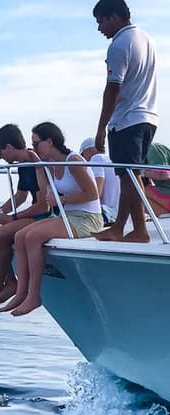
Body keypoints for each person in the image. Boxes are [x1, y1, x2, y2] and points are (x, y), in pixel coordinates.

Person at [0, 122, 103, 317]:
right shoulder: (51, 164)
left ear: (49, 141)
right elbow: (44, 194)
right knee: (21, 235)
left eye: (36, 143)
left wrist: (62, 199)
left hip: (88, 218)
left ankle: (34, 296)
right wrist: (38, 164)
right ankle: (21, 291)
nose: (34, 147)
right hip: (67, 215)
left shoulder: (73, 160)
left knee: (33, 237)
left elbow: (92, 194)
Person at [92, 0, 158, 242]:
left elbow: (113, 89)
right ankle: (119, 226)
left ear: (115, 17)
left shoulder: (119, 45)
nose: (100, 28)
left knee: (130, 176)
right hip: (148, 116)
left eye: (101, 21)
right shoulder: (146, 38)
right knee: (128, 175)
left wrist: (100, 129)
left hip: (127, 119)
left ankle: (139, 230)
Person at [0, 124, 46, 305]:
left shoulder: (34, 162)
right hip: (35, 210)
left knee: (2, 232)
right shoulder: (24, 164)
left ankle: (0, 281)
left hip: (44, 214)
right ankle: (10, 281)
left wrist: (13, 218)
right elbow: (20, 196)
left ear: (9, 147)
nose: (0, 156)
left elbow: (42, 206)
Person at [79, 136, 120, 224]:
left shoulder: (96, 159)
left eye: (82, 156)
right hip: (120, 213)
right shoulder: (112, 160)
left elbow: (97, 193)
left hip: (107, 213)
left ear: (89, 151)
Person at [143, 143, 170, 217]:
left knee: (136, 193)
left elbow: (164, 174)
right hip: (166, 193)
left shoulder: (151, 150)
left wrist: (140, 172)